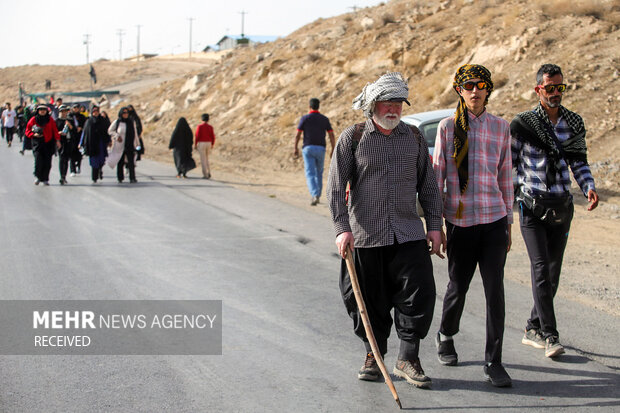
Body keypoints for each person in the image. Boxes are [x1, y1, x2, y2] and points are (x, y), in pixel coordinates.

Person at [326, 72, 443, 389]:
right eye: (386, 103)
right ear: (373, 105)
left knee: (419, 295)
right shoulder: (353, 138)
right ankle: (372, 356)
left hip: (408, 233)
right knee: (367, 300)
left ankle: (408, 358)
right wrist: (341, 229)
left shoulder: (415, 138)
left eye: (398, 103)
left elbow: (429, 188)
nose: (393, 109)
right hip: (366, 236)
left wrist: (434, 226)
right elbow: (336, 189)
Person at [432, 64, 514, 388]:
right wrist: (435, 225)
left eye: (481, 86)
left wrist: (508, 222)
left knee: (495, 291)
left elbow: (506, 176)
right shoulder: (447, 128)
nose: (475, 91)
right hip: (461, 222)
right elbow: (436, 178)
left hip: (493, 219)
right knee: (458, 287)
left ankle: (494, 360)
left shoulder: (501, 128)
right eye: (469, 86)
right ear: (459, 90)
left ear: (488, 89)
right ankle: (446, 333)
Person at [510, 64, 599, 358]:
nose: (555, 93)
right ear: (538, 90)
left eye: (560, 88)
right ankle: (550, 335)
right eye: (550, 88)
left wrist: (588, 186)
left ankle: (533, 326)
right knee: (539, 269)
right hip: (531, 205)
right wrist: (507, 207)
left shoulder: (573, 122)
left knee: (553, 272)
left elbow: (579, 161)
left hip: (561, 205)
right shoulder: (522, 124)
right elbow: (510, 167)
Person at [293, 98, 336, 205]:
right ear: (319, 106)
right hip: (321, 148)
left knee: (310, 173)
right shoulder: (324, 119)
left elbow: (298, 135)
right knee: (319, 173)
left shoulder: (305, 118)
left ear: (309, 107)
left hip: (308, 148)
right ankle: (318, 194)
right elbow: (331, 134)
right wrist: (333, 149)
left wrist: (295, 148)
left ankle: (314, 194)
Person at [25, 105, 61, 185]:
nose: (42, 111)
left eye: (44, 110)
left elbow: (55, 130)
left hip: (48, 144)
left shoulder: (50, 120)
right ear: (38, 111)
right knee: (38, 161)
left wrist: (58, 140)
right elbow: (27, 131)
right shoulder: (33, 120)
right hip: (37, 144)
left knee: (47, 162)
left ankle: (45, 179)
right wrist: (34, 135)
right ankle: (38, 177)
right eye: (41, 110)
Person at [108, 106, 140, 183]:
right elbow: (110, 131)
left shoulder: (131, 122)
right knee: (120, 162)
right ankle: (120, 177)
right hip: (120, 145)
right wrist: (116, 136)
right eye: (124, 113)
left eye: (127, 113)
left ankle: (132, 178)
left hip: (130, 144)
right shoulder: (117, 122)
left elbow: (135, 133)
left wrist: (137, 144)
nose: (125, 114)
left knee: (131, 162)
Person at [80, 105, 110, 183]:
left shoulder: (103, 120)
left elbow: (107, 131)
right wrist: (81, 143)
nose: (95, 113)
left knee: (101, 160)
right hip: (92, 144)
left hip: (101, 143)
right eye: (94, 112)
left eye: (97, 111)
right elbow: (85, 133)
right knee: (94, 161)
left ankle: (100, 170)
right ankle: (94, 177)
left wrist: (109, 141)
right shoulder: (89, 121)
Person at [194, 113, 215, 179]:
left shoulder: (199, 126)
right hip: (209, 143)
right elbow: (213, 136)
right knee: (207, 158)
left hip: (202, 143)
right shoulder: (210, 127)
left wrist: (195, 144)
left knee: (203, 159)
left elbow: (197, 136)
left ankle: (205, 174)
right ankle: (208, 172)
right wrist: (212, 144)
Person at [67, 104, 86, 175]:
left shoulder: (82, 117)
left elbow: (85, 125)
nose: (76, 109)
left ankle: (78, 166)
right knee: (72, 154)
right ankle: (72, 170)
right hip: (72, 137)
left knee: (79, 153)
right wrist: (74, 128)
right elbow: (69, 126)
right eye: (74, 108)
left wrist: (81, 127)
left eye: (77, 108)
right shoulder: (69, 117)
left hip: (80, 137)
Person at [55, 105, 71, 185]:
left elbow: (74, 130)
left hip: (68, 142)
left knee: (66, 159)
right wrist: (59, 133)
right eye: (62, 111)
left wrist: (70, 126)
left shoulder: (69, 120)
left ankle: (64, 175)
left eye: (65, 111)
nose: (63, 113)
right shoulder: (56, 121)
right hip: (60, 142)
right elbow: (53, 132)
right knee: (61, 159)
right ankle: (62, 176)